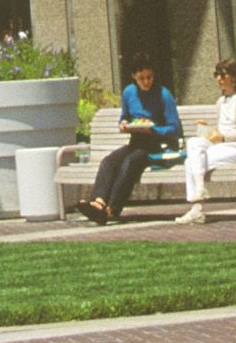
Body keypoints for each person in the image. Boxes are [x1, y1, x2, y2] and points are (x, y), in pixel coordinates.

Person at [78, 56, 183, 222]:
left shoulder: (164, 94)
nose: (146, 81)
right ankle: (98, 202)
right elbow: (124, 117)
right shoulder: (129, 93)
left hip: (157, 145)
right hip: (136, 142)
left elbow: (175, 128)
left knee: (131, 161)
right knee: (109, 161)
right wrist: (124, 124)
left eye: (149, 77)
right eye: (142, 78)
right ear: (134, 76)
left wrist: (153, 130)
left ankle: (112, 209)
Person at [177, 64, 236, 221]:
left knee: (190, 162)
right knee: (193, 143)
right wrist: (207, 129)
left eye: (223, 75)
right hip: (221, 146)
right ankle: (199, 194)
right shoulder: (221, 101)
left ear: (234, 77)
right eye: (217, 75)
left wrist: (224, 137)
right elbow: (220, 130)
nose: (219, 79)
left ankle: (196, 208)